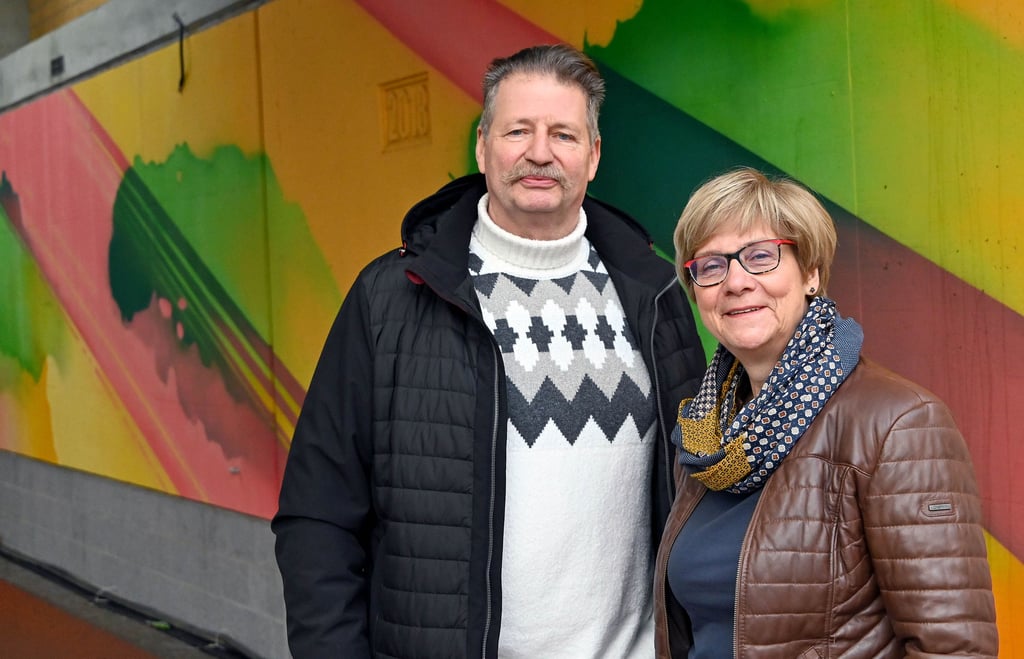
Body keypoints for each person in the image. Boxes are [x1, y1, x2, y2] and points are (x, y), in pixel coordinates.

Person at [272, 43, 706, 658]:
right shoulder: (390, 299)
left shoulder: (655, 295)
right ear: (482, 145)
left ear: (594, 155)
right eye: (518, 130)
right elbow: (318, 518)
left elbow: (699, 496)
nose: (539, 152)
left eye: (564, 134)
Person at [654, 166, 998, 657]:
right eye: (710, 265)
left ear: (810, 273)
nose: (735, 281)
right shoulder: (703, 438)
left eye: (760, 257)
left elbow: (954, 647)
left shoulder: (899, 423)